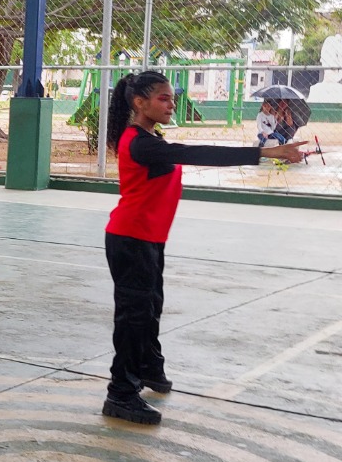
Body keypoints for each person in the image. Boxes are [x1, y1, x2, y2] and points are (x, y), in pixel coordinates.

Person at [102, 71, 305, 426]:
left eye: (172, 97)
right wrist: (265, 152)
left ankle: (148, 367)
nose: (172, 104)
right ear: (139, 103)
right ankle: (120, 393)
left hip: (149, 239)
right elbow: (196, 153)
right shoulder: (138, 142)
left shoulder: (150, 137)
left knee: (150, 308)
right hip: (131, 239)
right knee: (134, 317)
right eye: (163, 98)